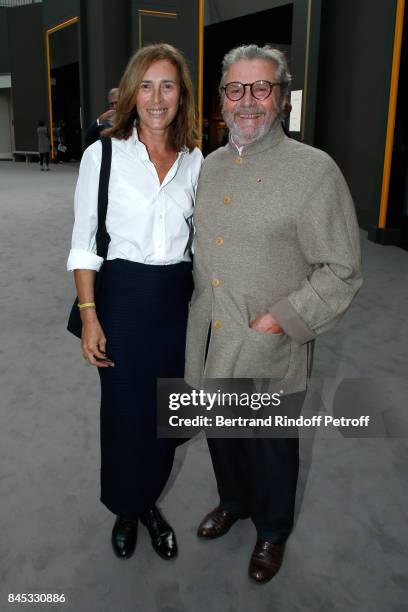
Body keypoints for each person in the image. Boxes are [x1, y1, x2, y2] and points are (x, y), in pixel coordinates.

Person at [185, 44, 362, 583]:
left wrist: (280, 320)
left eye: (261, 88)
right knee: (223, 436)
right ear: (222, 98)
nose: (247, 102)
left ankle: (272, 531)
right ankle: (234, 504)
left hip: (270, 344)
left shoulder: (314, 171)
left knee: (270, 449)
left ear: (281, 99)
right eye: (236, 89)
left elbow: (342, 269)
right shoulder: (211, 167)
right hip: (213, 338)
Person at [67, 43, 202, 561]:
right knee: (126, 414)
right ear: (130, 93)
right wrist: (89, 314)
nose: (156, 97)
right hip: (121, 300)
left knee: (169, 413)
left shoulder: (195, 160)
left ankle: (149, 502)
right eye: (145, 85)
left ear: (180, 94)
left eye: (167, 85)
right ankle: (127, 508)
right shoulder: (102, 155)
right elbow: (84, 241)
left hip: (175, 301)